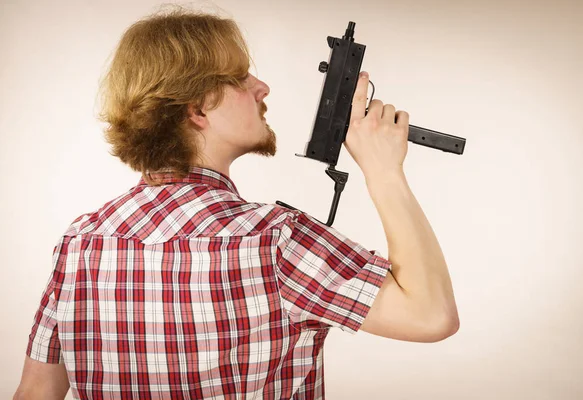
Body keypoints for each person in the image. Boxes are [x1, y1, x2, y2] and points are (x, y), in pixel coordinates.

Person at [13, 7, 459, 400]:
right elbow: (431, 315)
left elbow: (36, 392)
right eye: (241, 78)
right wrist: (384, 170)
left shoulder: (82, 242)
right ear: (197, 110)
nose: (261, 87)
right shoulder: (275, 241)